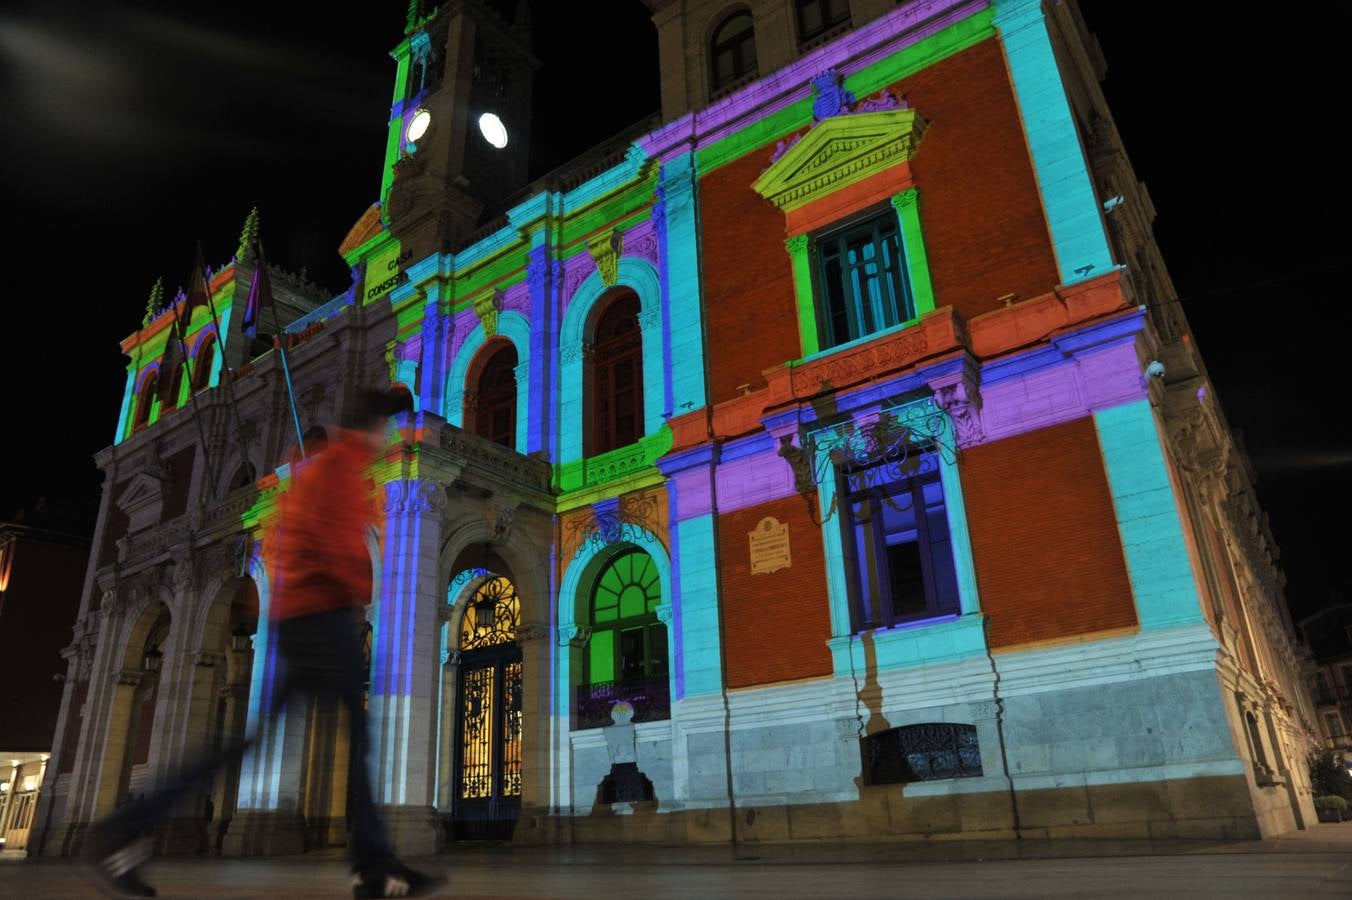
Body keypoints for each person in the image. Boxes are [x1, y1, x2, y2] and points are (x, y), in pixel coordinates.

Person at [87, 388, 442, 899]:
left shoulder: (336, 467)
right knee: (335, 739)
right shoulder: (338, 469)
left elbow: (292, 540)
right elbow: (307, 544)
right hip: (320, 618)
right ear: (380, 428)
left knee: (290, 739)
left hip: (314, 618)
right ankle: (375, 867)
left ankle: (374, 866)